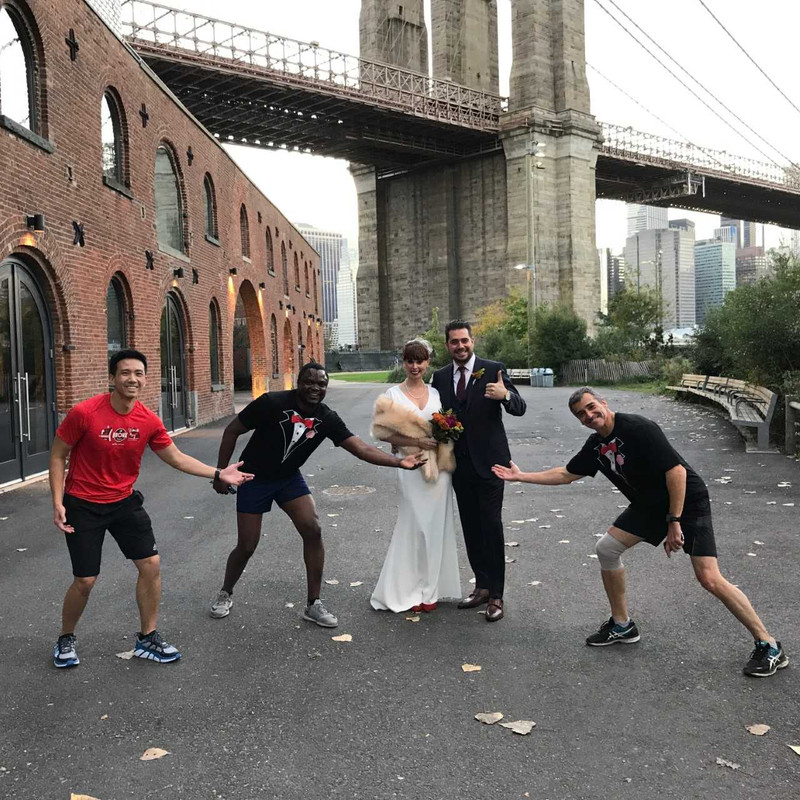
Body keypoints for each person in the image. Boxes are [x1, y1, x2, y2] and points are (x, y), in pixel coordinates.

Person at [492, 387, 788, 677]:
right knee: (607, 549)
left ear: (603, 403)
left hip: (686, 500)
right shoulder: (596, 445)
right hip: (649, 505)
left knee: (709, 577)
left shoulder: (638, 427)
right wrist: (521, 477)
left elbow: (677, 472)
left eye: (592, 407)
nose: (589, 415)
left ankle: (769, 644)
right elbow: (566, 474)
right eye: (581, 414)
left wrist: (675, 521)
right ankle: (622, 625)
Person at [50, 349, 253, 669]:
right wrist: (58, 502)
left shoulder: (146, 419)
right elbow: (58, 454)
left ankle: (147, 638)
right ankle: (66, 637)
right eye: (125, 373)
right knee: (85, 580)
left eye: (139, 373)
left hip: (124, 502)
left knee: (151, 565)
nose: (132, 379)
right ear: (112, 378)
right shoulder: (85, 413)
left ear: (146, 378)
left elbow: (176, 457)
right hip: (84, 505)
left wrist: (218, 473)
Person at [209, 361, 426, 627]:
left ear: (326, 387)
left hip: (288, 479)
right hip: (253, 478)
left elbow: (359, 447)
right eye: (309, 382)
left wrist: (398, 462)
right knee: (247, 545)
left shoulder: (326, 418)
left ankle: (314, 604)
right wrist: (220, 473)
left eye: (321, 384)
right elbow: (232, 430)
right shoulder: (271, 403)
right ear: (298, 383)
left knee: (312, 529)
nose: (315, 387)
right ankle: (225, 592)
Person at [430, 321, 526, 622]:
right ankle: (481, 586)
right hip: (459, 466)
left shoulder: (493, 368)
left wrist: (505, 396)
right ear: (447, 346)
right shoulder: (441, 377)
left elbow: (519, 407)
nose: (460, 346)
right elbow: (433, 416)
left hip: (491, 463)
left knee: (491, 525)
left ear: (473, 341)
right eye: (454, 342)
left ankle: (497, 594)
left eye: (464, 341)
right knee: (471, 527)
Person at [369, 339, 461, 613]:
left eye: (420, 361)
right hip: (410, 465)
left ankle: (430, 591)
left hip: (439, 469)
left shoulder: (436, 393)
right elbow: (382, 432)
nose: (414, 366)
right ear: (404, 361)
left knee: (435, 527)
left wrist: (446, 432)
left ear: (427, 363)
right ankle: (404, 589)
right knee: (414, 524)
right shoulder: (392, 395)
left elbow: (447, 422)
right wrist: (417, 443)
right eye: (410, 360)